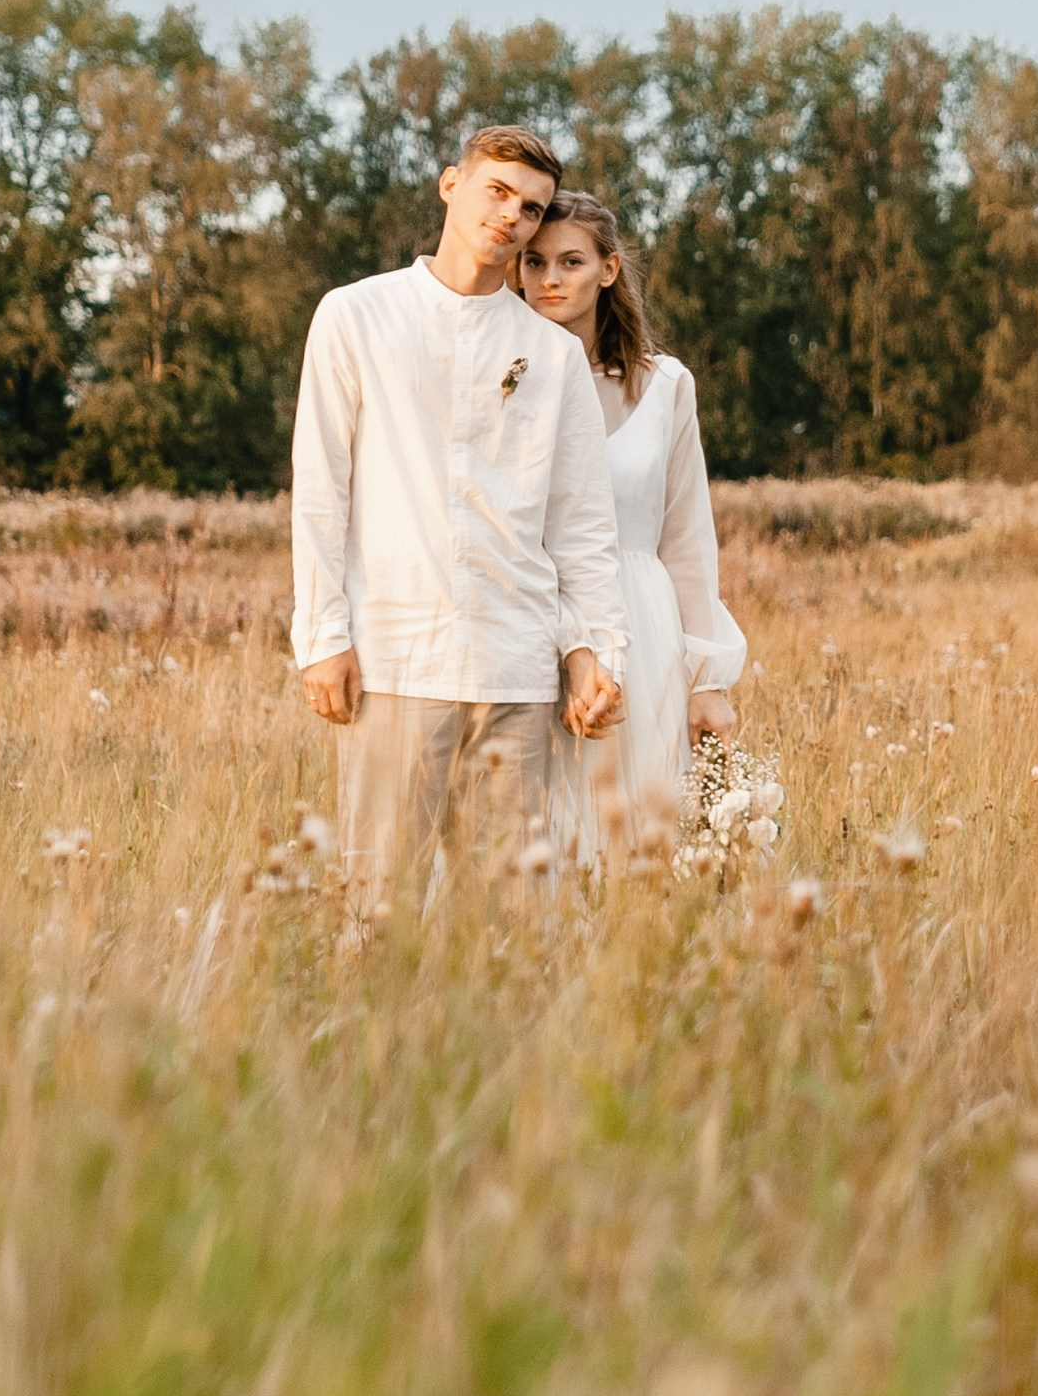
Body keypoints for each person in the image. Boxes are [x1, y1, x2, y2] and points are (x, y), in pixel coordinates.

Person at [291, 121, 627, 922]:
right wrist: (322, 636)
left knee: (513, 924)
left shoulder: (549, 356)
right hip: (395, 661)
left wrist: (592, 651)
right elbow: (319, 488)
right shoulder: (355, 316)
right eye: (498, 193)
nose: (512, 216)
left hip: (517, 669)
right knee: (379, 910)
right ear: (452, 185)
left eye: (532, 208)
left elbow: (582, 526)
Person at [518, 189, 746, 857]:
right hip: (533, 616)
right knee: (541, 831)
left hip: (642, 625)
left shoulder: (665, 385)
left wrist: (706, 682)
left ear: (609, 270)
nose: (550, 280)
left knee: (641, 833)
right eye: (533, 263)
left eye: (570, 262)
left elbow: (688, 543)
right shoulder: (508, 380)